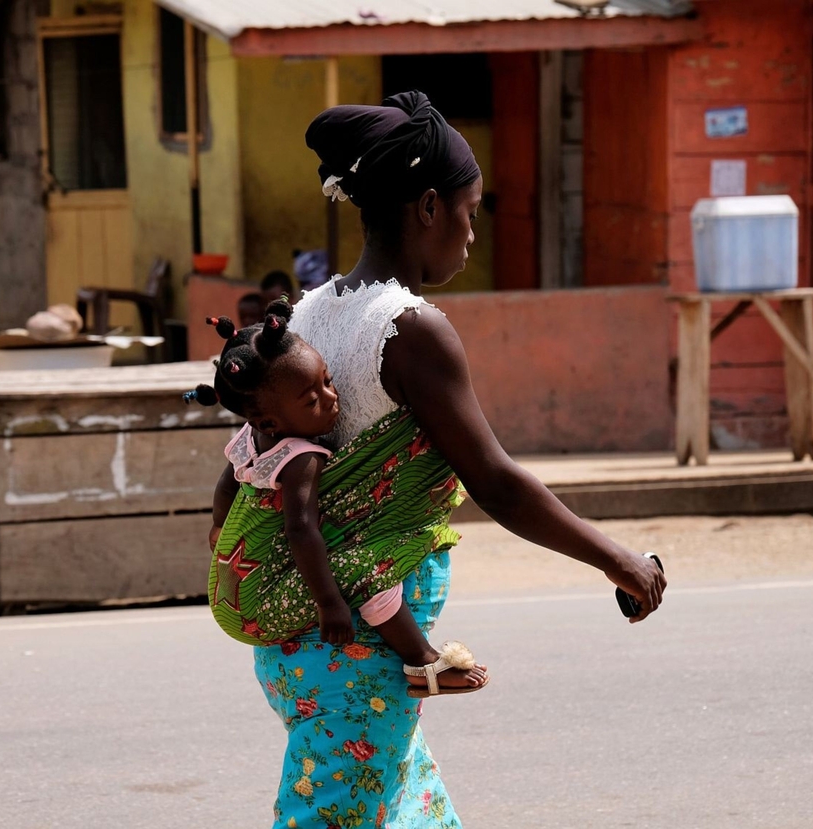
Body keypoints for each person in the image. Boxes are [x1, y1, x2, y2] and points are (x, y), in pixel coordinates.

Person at [230, 91, 666, 828]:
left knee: (414, 812)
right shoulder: (408, 329)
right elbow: (493, 479)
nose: (472, 231)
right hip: (358, 654)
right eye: (470, 209)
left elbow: (244, 463)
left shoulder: (300, 320)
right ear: (428, 206)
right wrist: (620, 560)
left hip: (305, 643)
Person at [187, 300, 488, 696]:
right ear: (269, 422)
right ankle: (421, 661)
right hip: (259, 603)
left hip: (233, 589)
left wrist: (219, 525)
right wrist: (329, 603)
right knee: (369, 570)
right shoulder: (301, 458)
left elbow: (227, 484)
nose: (330, 398)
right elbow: (301, 530)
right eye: (311, 400)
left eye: (327, 381)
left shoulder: (250, 439)